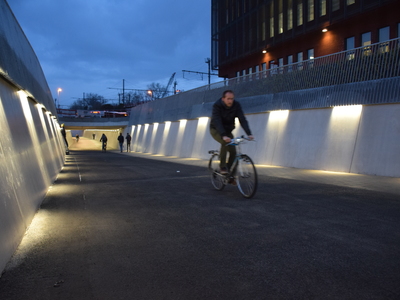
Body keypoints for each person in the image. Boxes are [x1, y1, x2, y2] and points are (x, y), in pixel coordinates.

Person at [210, 90, 254, 181]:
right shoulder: (217, 106)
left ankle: (229, 174)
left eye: (232, 99)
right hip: (216, 130)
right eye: (228, 99)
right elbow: (217, 121)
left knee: (234, 152)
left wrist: (249, 133)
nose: (230, 101)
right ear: (223, 99)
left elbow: (242, 119)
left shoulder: (236, 105)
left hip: (228, 131)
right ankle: (222, 167)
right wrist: (223, 135)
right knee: (224, 142)